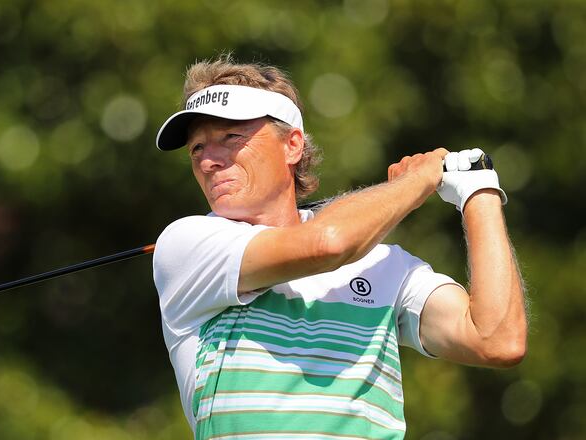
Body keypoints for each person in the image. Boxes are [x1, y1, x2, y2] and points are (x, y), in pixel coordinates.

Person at [151, 56, 527, 439]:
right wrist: (418, 182)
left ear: (292, 145)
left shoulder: (383, 265)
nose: (210, 161)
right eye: (197, 148)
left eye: (231, 138)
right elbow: (328, 244)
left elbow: (496, 340)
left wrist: (478, 193)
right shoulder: (187, 244)